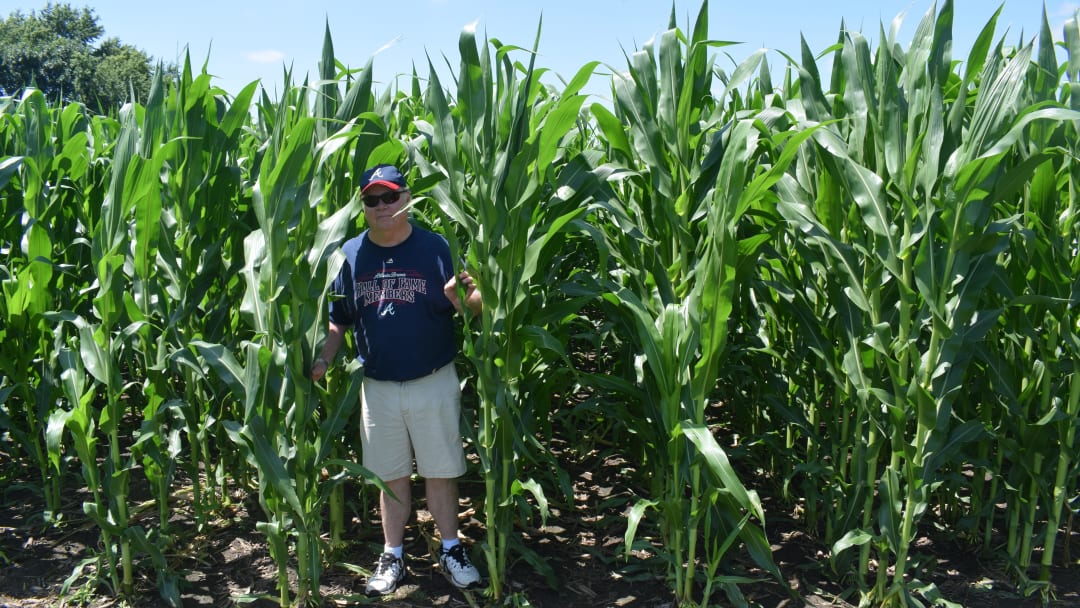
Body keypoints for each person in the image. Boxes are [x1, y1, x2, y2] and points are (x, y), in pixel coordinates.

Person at [310, 164, 483, 596]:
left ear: (407, 197)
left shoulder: (436, 247)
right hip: (378, 386)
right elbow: (338, 322)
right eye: (372, 199)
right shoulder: (349, 255)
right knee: (389, 475)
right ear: (363, 206)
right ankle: (393, 555)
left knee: (440, 471)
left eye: (390, 196)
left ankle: (450, 548)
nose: (382, 206)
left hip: (433, 378)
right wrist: (323, 363)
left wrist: (463, 300)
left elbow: (476, 304)